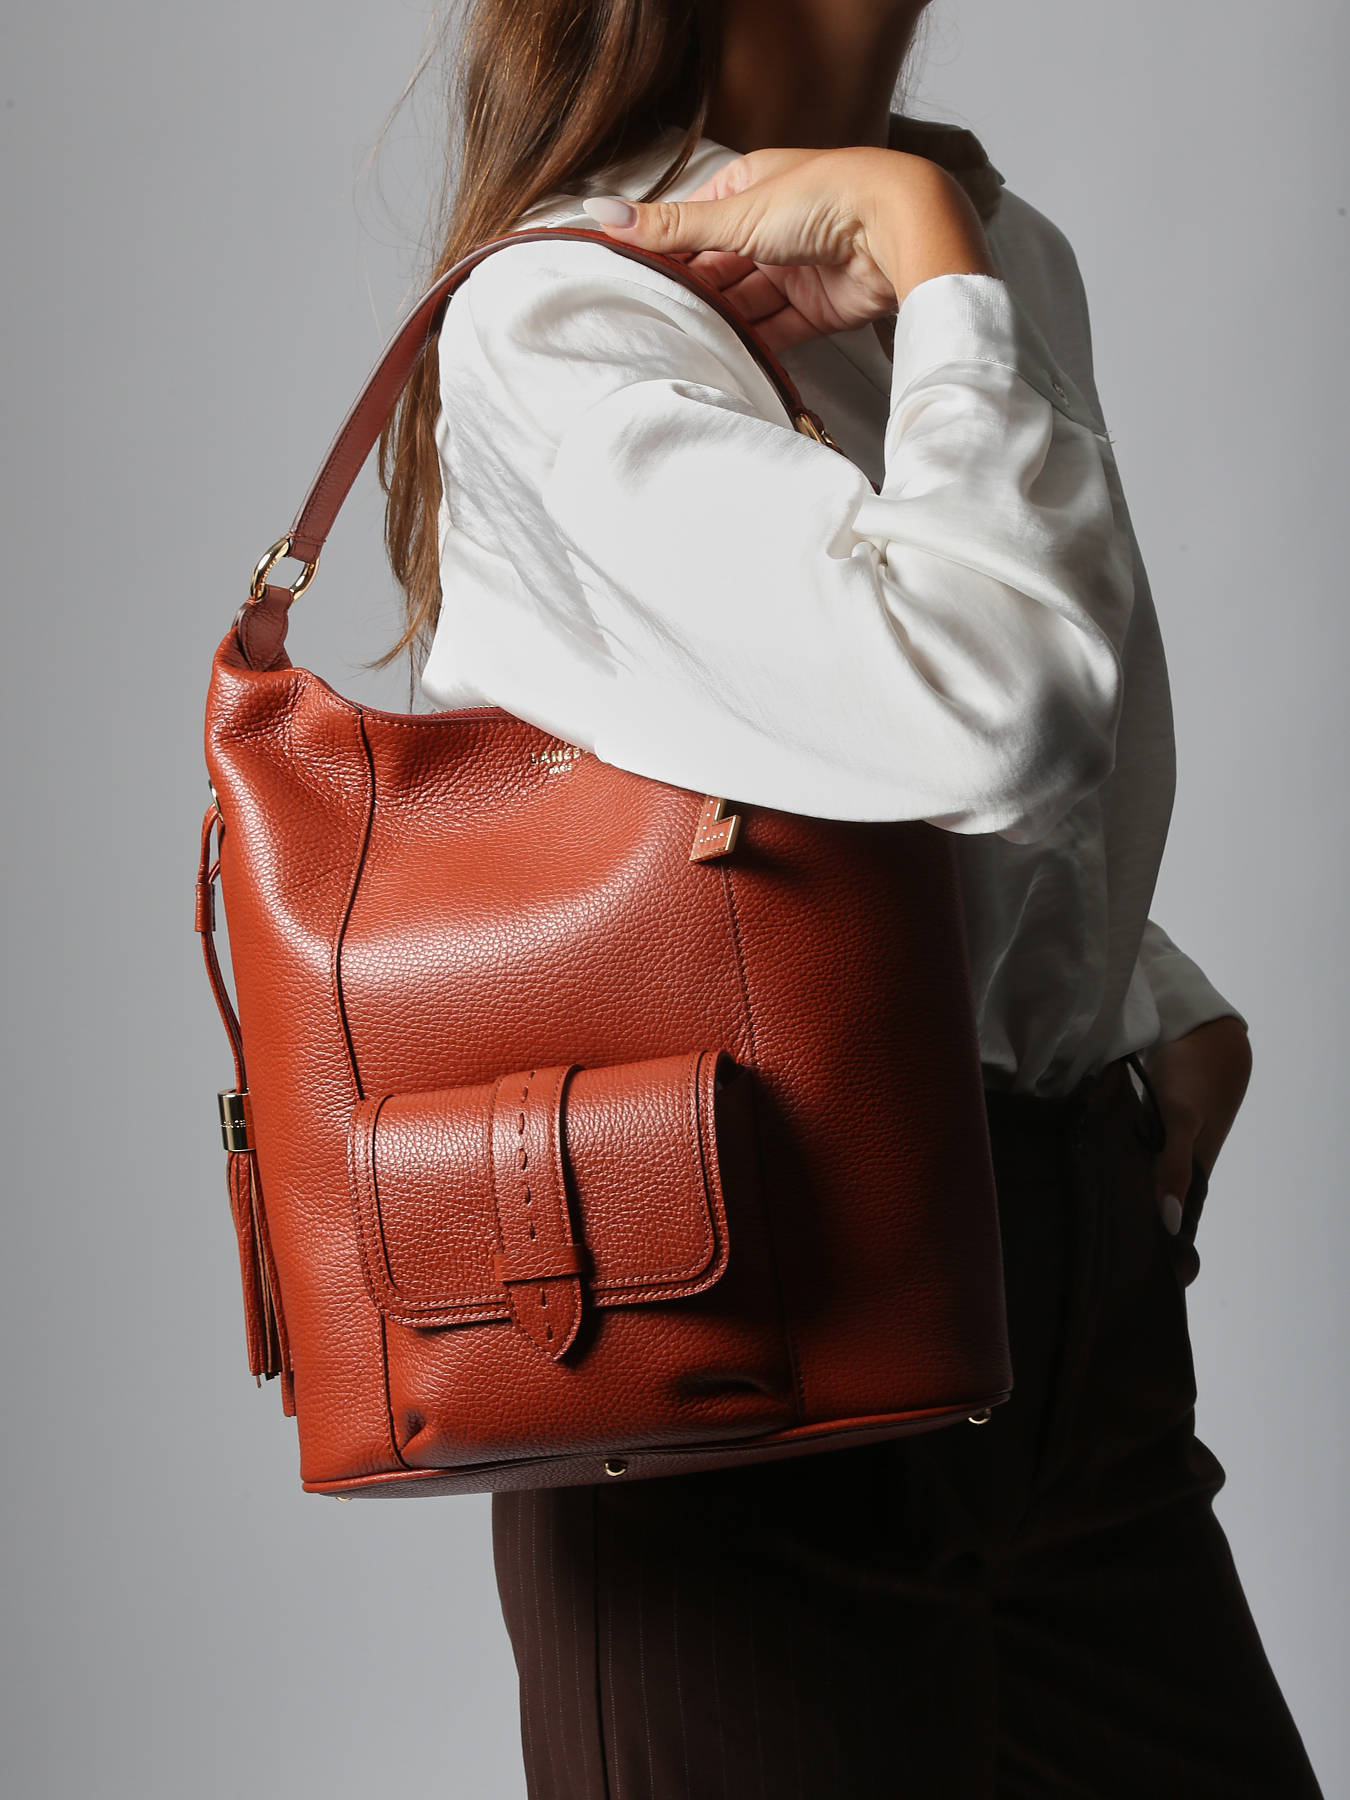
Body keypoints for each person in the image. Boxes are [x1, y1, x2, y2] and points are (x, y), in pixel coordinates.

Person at [377, 1, 1325, 1792]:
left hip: (1062, 1288)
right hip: (744, 1319)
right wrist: (926, 251)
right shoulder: (570, 311)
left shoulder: (997, 247)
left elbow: (872, 776)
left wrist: (1138, 1003)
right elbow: (994, 703)